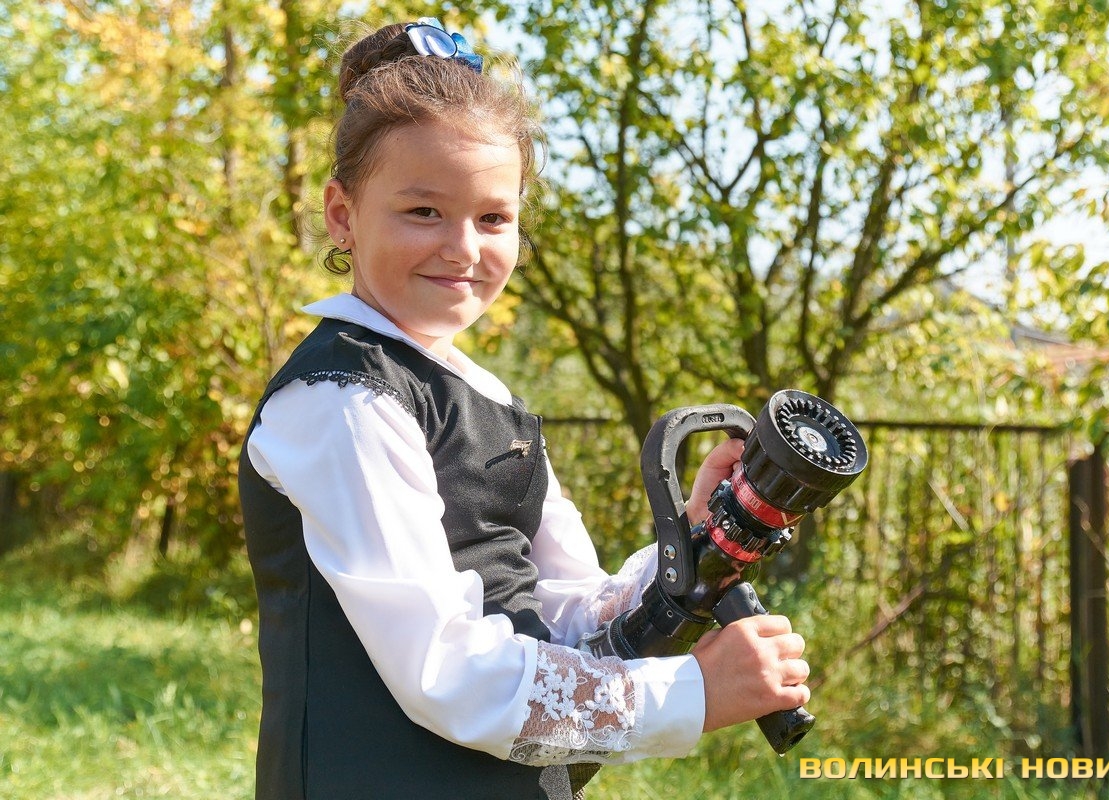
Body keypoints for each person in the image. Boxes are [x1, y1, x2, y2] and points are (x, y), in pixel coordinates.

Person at [238, 17, 811, 800]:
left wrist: (699, 537)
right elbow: (445, 671)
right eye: (423, 212)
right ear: (342, 214)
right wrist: (691, 694)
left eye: (493, 218)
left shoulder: (486, 399)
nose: (463, 248)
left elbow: (572, 619)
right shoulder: (342, 399)